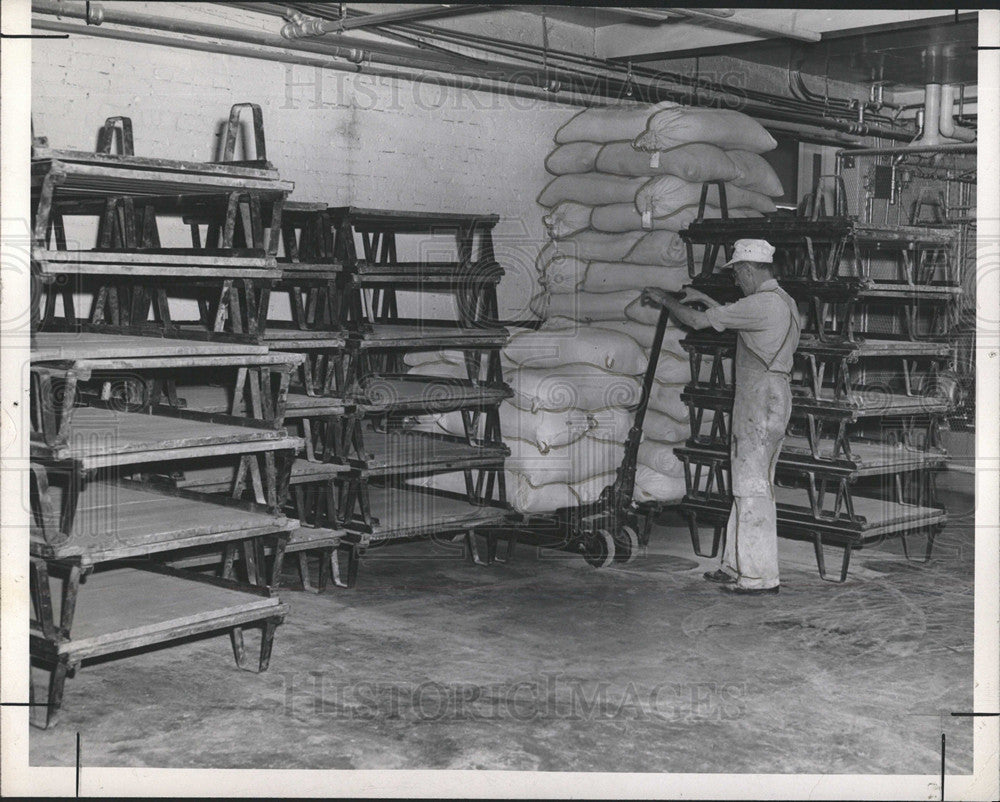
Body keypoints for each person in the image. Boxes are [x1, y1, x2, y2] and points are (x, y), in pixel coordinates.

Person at [642, 239, 800, 596]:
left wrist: (664, 300)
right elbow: (735, 316)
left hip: (758, 400)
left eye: (738, 276)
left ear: (747, 270)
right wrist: (704, 297)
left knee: (751, 488)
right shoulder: (784, 303)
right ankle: (735, 565)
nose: (737, 283)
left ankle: (758, 577)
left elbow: (699, 323)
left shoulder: (760, 304)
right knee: (751, 483)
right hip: (777, 395)